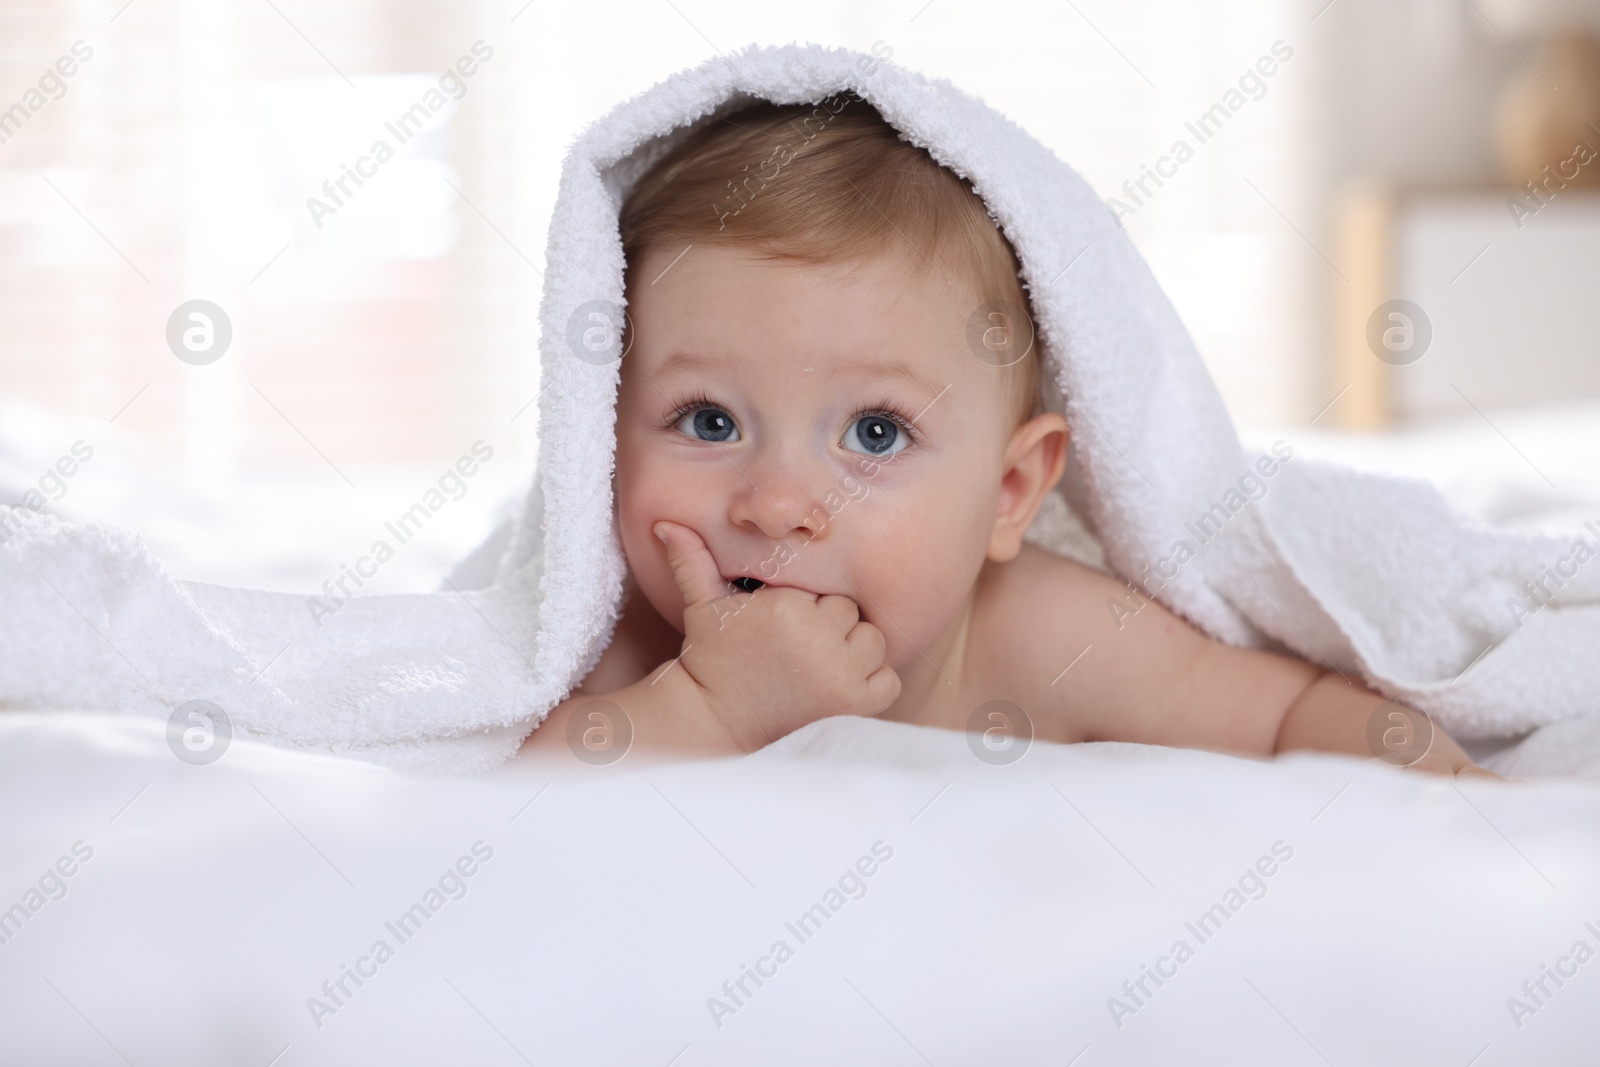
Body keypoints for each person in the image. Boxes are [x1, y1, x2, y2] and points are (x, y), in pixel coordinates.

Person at [521, 95, 1497, 778]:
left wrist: (1437, 790)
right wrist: (709, 707)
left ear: (1007, 492)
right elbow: (508, 808)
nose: (776, 502)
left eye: (874, 430)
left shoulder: (1036, 635)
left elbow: (1287, 712)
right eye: (709, 420)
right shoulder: (636, 642)